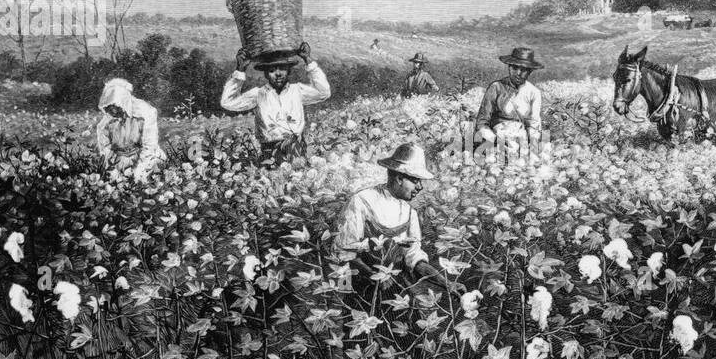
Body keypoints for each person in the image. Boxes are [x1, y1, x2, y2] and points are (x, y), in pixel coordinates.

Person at [334, 143, 449, 293]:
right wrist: (375, 276)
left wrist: (446, 284)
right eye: (415, 181)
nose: (420, 187)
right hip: (361, 289)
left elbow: (414, 258)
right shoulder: (362, 201)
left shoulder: (409, 212)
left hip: (396, 290)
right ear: (399, 178)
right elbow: (345, 253)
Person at [220, 42, 330, 165]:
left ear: (288, 70)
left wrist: (308, 59)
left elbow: (324, 92)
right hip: (269, 152)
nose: (278, 74)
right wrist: (240, 69)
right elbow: (227, 102)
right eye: (272, 70)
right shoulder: (259, 94)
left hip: (297, 149)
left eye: (282, 68)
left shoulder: (297, 90)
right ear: (266, 74)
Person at [96, 78, 165, 183]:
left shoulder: (144, 113)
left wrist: (138, 169)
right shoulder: (106, 123)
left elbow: (149, 146)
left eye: (115, 106)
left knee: (144, 180)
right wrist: (112, 167)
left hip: (144, 158)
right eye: (108, 107)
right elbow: (105, 148)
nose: (112, 111)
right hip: (120, 161)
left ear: (122, 102)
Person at [475, 46, 543, 151]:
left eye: (523, 70)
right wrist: (495, 140)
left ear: (530, 71)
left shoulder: (534, 93)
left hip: (521, 141)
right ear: (509, 67)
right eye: (515, 68)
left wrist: (532, 145)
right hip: (495, 140)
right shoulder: (496, 87)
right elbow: (481, 123)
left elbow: (534, 125)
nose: (518, 73)